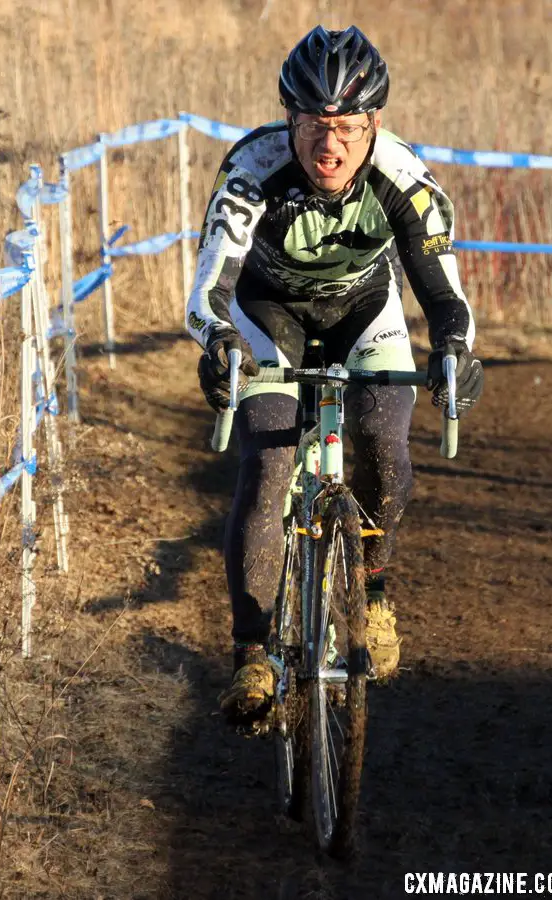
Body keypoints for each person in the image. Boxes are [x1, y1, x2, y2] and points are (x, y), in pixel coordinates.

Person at [186, 25, 483, 729]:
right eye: (315, 125)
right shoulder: (252, 172)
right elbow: (207, 293)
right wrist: (220, 341)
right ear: (289, 119)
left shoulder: (403, 176)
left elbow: (445, 295)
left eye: (349, 127)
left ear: (373, 124)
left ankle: (374, 594)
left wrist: (455, 351)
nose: (331, 145)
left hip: (365, 309)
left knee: (386, 449)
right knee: (269, 466)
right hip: (268, 311)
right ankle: (252, 654)